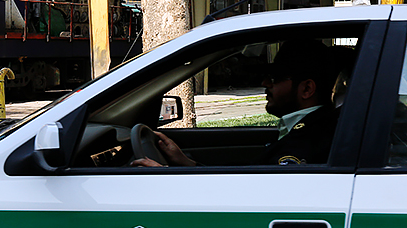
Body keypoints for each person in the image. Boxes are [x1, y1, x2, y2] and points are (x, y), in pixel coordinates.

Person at [133, 39, 343, 167]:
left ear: (307, 89)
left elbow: (251, 189)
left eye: (274, 78)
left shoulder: (310, 140)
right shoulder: (313, 128)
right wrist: (188, 164)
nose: (264, 83)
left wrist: (168, 178)